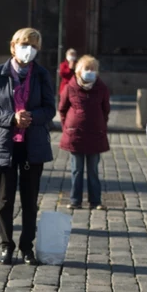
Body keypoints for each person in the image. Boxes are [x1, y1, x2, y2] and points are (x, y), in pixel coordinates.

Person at [0, 28, 56, 266]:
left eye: (33, 45)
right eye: (24, 44)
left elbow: (49, 108)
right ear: (13, 46)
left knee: (29, 200)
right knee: (5, 200)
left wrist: (31, 116)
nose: (28, 49)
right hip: (4, 143)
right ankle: (6, 245)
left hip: (32, 145)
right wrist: (11, 118)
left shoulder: (42, 74)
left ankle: (26, 246)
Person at [59, 54, 111, 210]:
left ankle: (95, 201)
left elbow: (105, 110)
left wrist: (101, 125)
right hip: (75, 135)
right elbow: (62, 109)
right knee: (77, 170)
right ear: (78, 71)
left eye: (93, 69)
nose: (90, 71)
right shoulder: (70, 87)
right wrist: (67, 127)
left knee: (93, 170)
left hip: (95, 135)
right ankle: (75, 200)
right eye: (86, 68)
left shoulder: (101, 88)